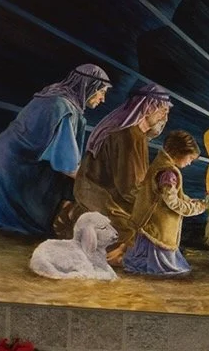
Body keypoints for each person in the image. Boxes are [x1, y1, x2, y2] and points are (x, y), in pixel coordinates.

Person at [0, 64, 111, 238]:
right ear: (89, 87)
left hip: (3, 155)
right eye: (101, 92)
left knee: (0, 220)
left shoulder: (52, 96)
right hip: (17, 165)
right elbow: (67, 165)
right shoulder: (63, 107)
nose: (103, 99)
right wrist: (97, 182)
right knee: (21, 225)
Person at [52, 82, 172, 254]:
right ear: (147, 108)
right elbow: (128, 188)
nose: (165, 117)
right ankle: (73, 215)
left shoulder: (138, 135)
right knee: (136, 235)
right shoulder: (126, 136)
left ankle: (75, 213)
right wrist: (156, 200)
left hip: (113, 193)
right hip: (99, 194)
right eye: (162, 110)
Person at [121, 131, 209, 277]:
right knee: (165, 266)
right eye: (190, 158)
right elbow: (173, 203)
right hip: (158, 225)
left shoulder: (160, 164)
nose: (189, 163)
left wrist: (197, 201)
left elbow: (176, 196)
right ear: (179, 153)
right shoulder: (168, 173)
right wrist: (200, 207)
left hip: (151, 223)